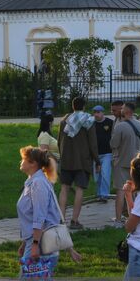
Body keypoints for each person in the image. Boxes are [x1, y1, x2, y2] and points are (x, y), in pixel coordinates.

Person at [13, 146, 81, 281]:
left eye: (24, 159)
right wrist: (25, 242)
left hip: (40, 244)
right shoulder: (33, 182)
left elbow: (40, 218)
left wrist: (33, 245)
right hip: (34, 242)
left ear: (33, 164)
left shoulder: (38, 185)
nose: (21, 162)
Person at [55, 96, 98, 230]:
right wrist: (97, 159)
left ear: (72, 106)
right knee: (79, 189)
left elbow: (58, 140)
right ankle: (74, 220)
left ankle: (61, 220)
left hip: (67, 160)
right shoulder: (89, 120)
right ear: (84, 106)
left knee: (64, 189)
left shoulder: (64, 120)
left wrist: (62, 156)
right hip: (82, 161)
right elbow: (93, 143)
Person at [108, 101, 140, 226]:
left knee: (120, 190)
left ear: (127, 111)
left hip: (122, 161)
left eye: (123, 108)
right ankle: (134, 217)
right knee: (135, 190)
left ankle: (118, 219)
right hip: (137, 162)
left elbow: (113, 144)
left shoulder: (120, 126)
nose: (121, 109)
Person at [91, 104, 114, 208]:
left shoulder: (109, 123)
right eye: (95, 112)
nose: (96, 114)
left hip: (107, 153)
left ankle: (104, 195)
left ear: (102, 112)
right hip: (96, 154)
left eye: (98, 112)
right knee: (97, 175)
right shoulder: (91, 123)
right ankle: (99, 193)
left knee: (105, 173)